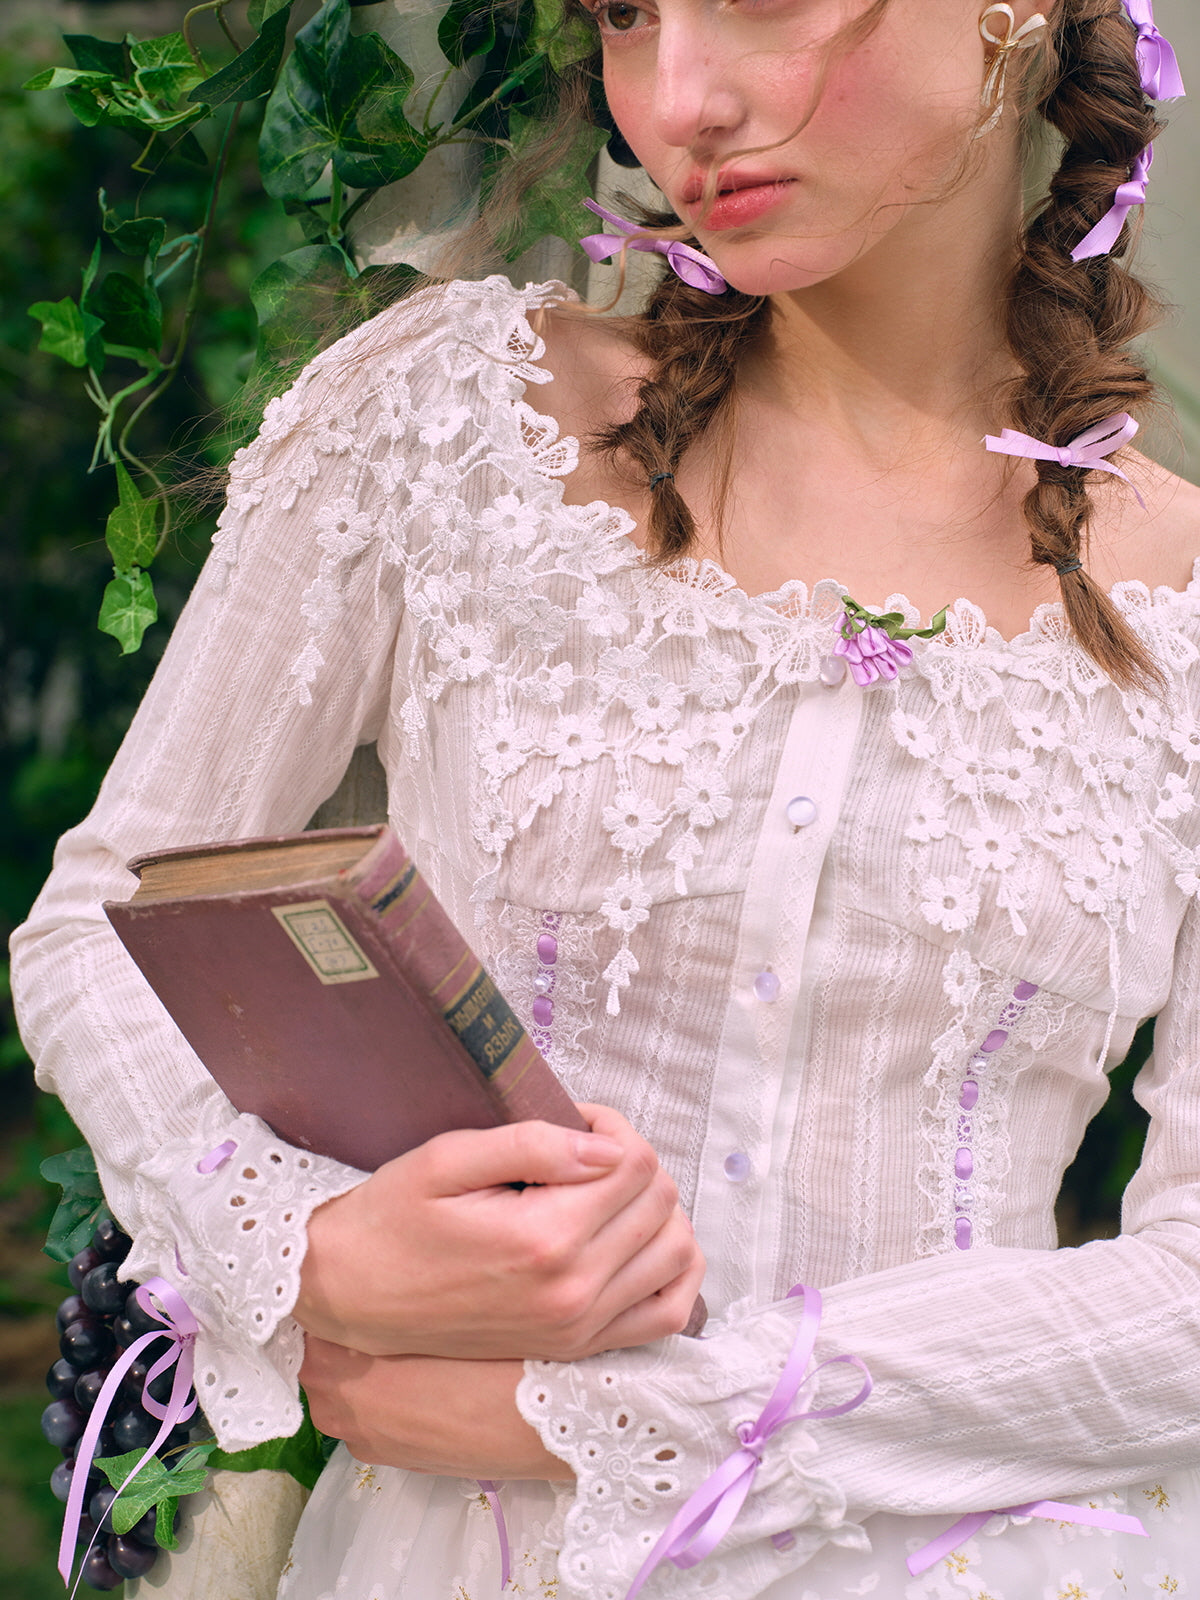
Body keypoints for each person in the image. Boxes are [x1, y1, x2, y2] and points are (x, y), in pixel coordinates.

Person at [13, 0, 1200, 1594]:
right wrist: (305, 1247)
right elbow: (106, 918)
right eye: (629, 18)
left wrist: (641, 1412)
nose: (680, 100)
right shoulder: (450, 419)